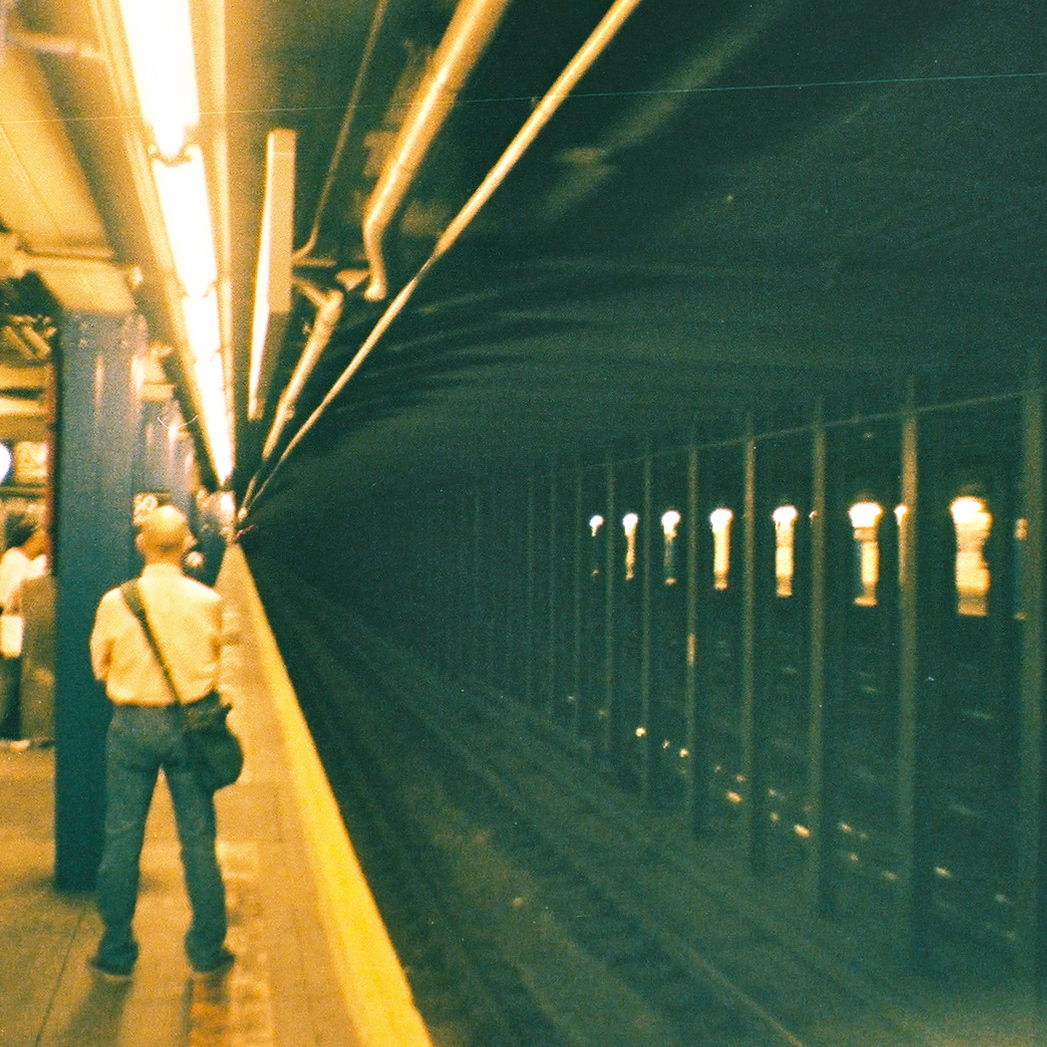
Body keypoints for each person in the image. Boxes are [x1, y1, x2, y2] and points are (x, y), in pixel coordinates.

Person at [88, 505, 233, 980]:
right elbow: (215, 665)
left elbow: (100, 665)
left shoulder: (116, 601)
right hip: (191, 729)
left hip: (131, 727)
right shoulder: (208, 601)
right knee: (197, 840)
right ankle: (207, 950)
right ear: (188, 543)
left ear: (140, 544)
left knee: (122, 838)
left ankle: (116, 951)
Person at [0, 520, 48, 743]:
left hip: (16, 627)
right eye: (39, 537)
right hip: (13, 627)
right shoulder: (16, 560)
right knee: (9, 679)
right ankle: (7, 728)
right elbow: (14, 594)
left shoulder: (19, 559)